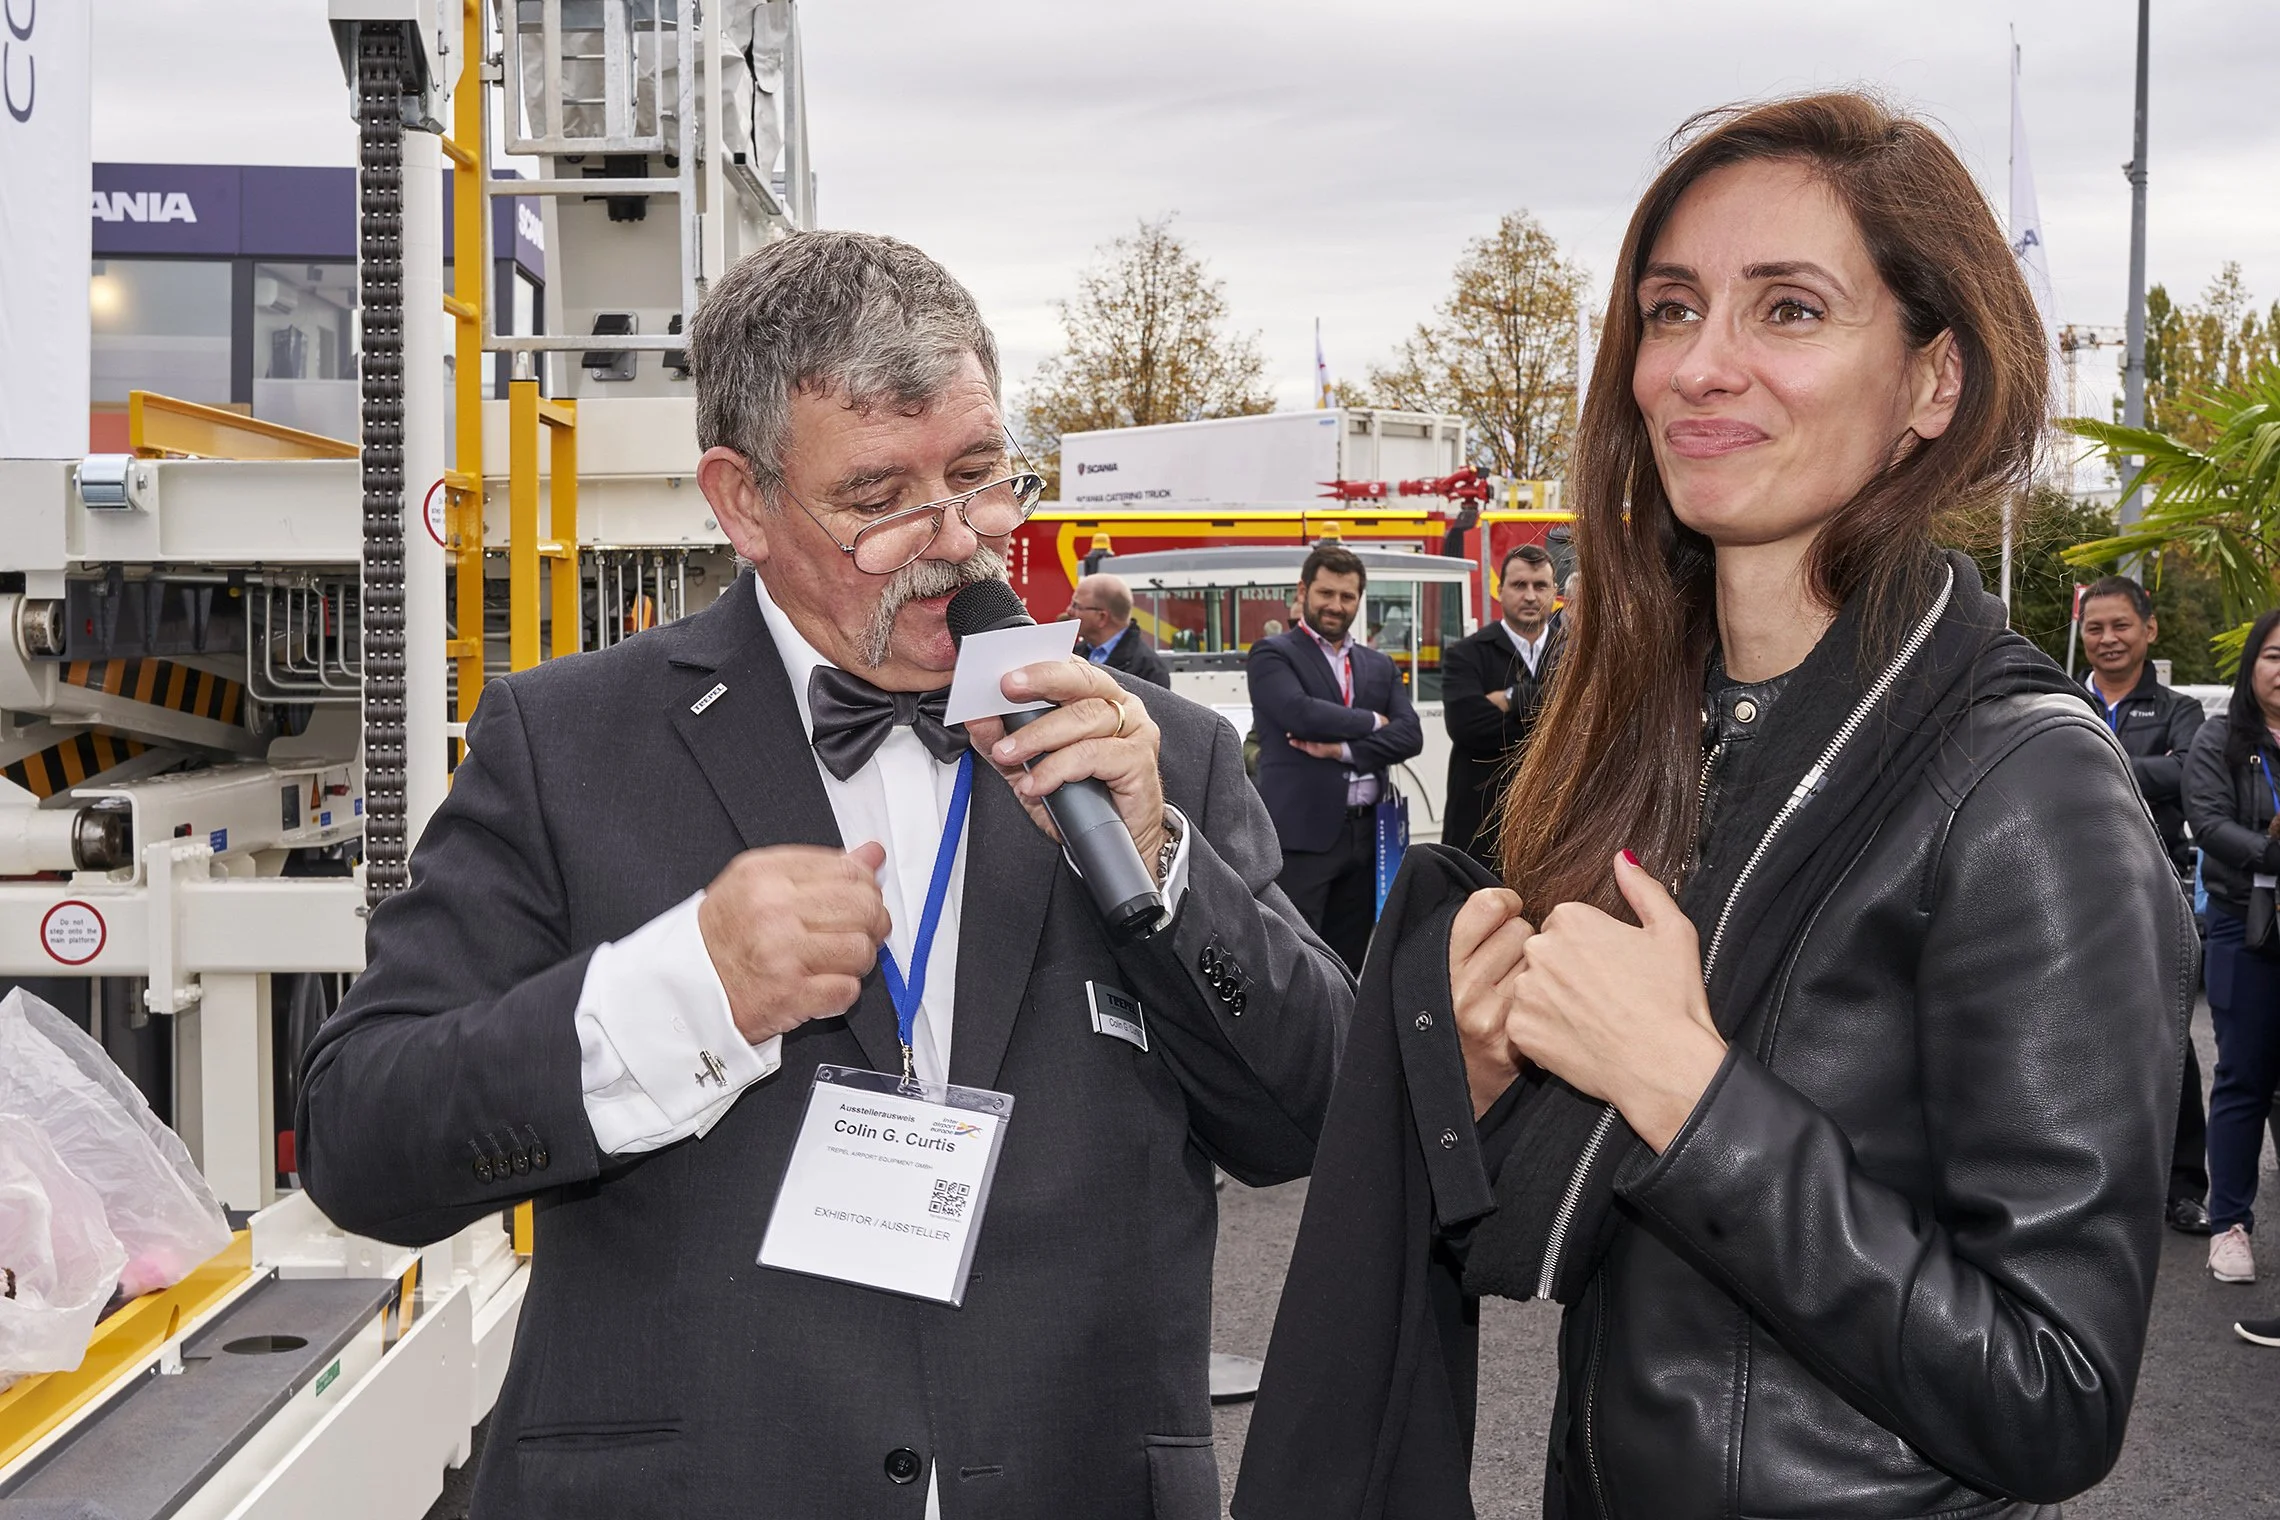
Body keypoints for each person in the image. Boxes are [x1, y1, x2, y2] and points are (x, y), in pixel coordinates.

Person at [1237, 93, 2189, 1520]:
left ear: (1934, 382)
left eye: (1790, 310)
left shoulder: (2028, 786)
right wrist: (1483, 1091)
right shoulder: (1649, 728)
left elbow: (2052, 1396)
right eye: (1671, 310)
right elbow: (1585, 1221)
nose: (1700, 365)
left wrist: (1686, 1091)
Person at [295, 232, 1350, 1519]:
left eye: (979, 475)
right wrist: (680, 992)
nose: (955, 540)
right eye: (878, 499)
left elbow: (1311, 1114)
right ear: (741, 501)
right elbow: (361, 1137)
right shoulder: (565, 742)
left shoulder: (1156, 749)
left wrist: (1171, 862)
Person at [2079, 573, 2214, 1235]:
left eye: (2120, 626)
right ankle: (2088, 1183)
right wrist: (2141, 764)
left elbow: (2187, 774)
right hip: (2066, 891)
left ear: (2148, 630)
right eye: (2095, 627)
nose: (2107, 639)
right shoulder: (2059, 699)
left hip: (2152, 886)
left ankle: (2185, 1185)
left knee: (2167, 1037)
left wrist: (2086, 763)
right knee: (2068, 1036)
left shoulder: (2180, 709)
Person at [1246, 544, 1423, 973]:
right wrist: (1373, 721)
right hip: (1302, 834)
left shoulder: (1378, 665)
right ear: (1303, 590)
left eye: (1347, 596)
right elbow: (1298, 714)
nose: (1335, 605)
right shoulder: (1272, 654)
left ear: (1359, 600)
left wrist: (1343, 749)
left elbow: (1410, 735)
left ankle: (1341, 1041)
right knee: (1293, 960)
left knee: (1349, 962)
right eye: (1326, 593)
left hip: (1367, 835)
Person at [2184, 610, 2280, 1289]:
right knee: (2244, 1076)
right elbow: (2209, 821)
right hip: (2246, 922)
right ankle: (2230, 1225)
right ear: (2252, 665)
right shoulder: (2221, 737)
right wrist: (2272, 852)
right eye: (2275, 656)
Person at [1440, 543, 1565, 867]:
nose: (1530, 596)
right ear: (1500, 591)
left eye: (1540, 586)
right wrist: (1552, 711)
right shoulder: (1466, 654)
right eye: (1519, 585)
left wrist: (1512, 698)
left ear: (1554, 592)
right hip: (1481, 827)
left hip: (1556, 826)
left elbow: (1590, 723)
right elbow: (1467, 726)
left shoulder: (1578, 656)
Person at [1066, 571, 1171, 687]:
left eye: (1076, 606)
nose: (1069, 611)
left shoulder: (1150, 670)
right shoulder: (1072, 653)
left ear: (1102, 617)